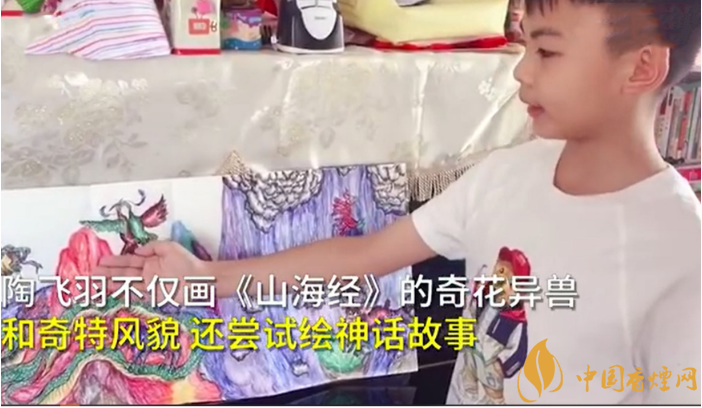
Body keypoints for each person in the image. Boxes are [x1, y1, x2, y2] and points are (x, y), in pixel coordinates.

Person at [96, 0, 701, 404]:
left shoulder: (679, 253)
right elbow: (364, 256)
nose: (521, 73)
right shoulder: (507, 176)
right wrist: (207, 278)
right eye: (524, 48)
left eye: (547, 52)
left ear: (641, 68)